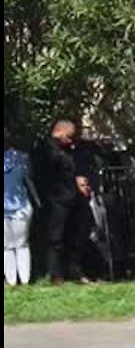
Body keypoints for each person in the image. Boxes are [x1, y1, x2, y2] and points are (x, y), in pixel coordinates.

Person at [44, 119, 93, 285]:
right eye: (68, 137)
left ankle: (75, 271)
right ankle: (56, 275)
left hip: (74, 199)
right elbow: (53, 171)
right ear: (59, 132)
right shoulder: (49, 149)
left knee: (76, 236)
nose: (71, 141)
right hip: (57, 200)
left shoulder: (70, 150)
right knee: (56, 239)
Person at [4, 129, 40, 285]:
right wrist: (38, 201)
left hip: (17, 206)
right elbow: (29, 181)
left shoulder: (23, 157)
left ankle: (13, 281)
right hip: (22, 207)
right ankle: (23, 280)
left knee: (7, 246)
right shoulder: (23, 157)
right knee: (21, 244)